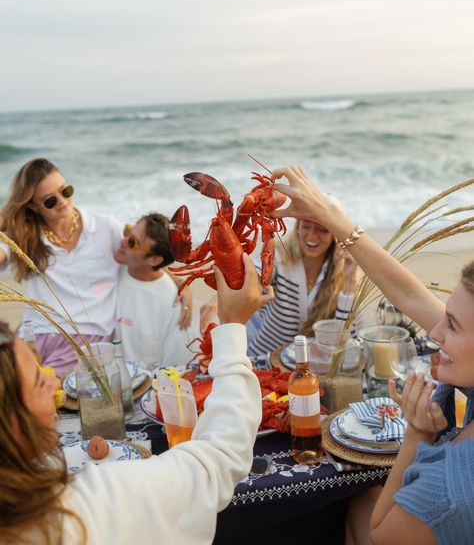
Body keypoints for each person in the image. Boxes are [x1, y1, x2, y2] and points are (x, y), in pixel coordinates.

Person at [269, 166, 474, 545]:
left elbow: (380, 535)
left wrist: (417, 435)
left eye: (454, 327)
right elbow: (411, 296)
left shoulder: (450, 492)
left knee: (356, 501)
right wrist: (333, 219)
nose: (435, 334)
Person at [0, 253, 264, 545]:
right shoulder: (86, 506)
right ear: (11, 423)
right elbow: (218, 460)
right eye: (39, 382)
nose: (54, 382)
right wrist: (232, 328)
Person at [0, 158, 192, 377]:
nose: (63, 201)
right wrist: (8, 215)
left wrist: (179, 280)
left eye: (66, 190)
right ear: (33, 205)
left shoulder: (103, 227)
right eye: (50, 201)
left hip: (86, 340)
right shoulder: (22, 235)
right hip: (34, 335)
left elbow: (143, 252)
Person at [200, 194, 359, 360]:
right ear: (298, 225)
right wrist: (218, 298)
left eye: (322, 229)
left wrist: (350, 282)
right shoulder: (279, 256)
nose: (312, 236)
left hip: (310, 372)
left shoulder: (346, 272)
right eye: (306, 226)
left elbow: (349, 343)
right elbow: (254, 272)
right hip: (259, 361)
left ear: (335, 235)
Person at [113, 212, 195, 368]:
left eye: (132, 242)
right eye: (128, 232)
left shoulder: (173, 304)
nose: (122, 241)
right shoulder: (112, 267)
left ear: (155, 260)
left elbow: (177, 367)